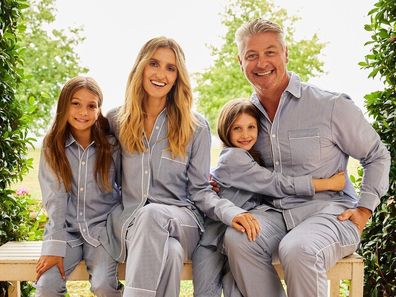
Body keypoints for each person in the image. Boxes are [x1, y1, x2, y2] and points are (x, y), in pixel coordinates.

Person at [221, 19, 391, 297]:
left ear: (286, 53)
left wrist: (364, 210)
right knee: (238, 239)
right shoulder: (246, 120)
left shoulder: (330, 105)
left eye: (270, 52)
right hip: (274, 215)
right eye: (252, 55)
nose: (261, 63)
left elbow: (377, 155)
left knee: (298, 249)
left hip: (329, 213)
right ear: (240, 61)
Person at [99, 36, 260, 297]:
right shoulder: (116, 120)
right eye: (154, 63)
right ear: (141, 66)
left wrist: (231, 213)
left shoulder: (195, 126)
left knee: (154, 216)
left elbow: (201, 191)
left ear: (177, 77)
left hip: (183, 221)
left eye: (170, 68)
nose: (161, 73)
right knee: (170, 253)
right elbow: (107, 183)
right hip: (133, 226)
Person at [192, 98, 346, 297]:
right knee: (206, 293)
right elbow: (276, 184)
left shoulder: (248, 157)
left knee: (236, 288)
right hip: (213, 241)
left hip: (239, 239)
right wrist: (327, 184)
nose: (245, 134)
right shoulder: (233, 157)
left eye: (251, 127)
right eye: (237, 128)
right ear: (225, 130)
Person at [35, 76, 123, 296]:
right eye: (76, 104)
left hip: (102, 232)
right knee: (47, 287)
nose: (83, 112)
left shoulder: (111, 145)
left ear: (98, 109)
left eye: (91, 106)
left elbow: (127, 187)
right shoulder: (52, 145)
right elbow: (55, 199)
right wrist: (54, 248)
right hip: (65, 233)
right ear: (64, 105)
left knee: (103, 284)